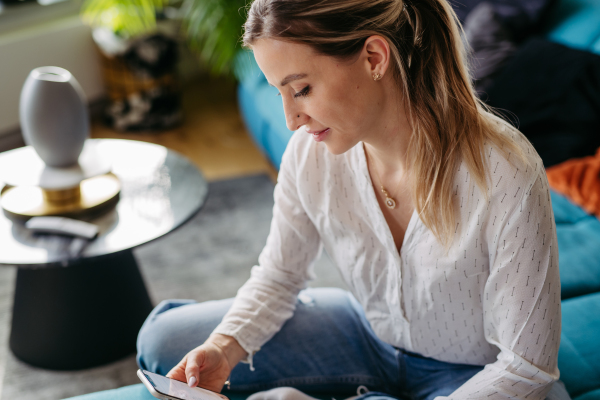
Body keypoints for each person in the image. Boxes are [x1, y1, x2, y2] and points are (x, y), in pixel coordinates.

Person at [136, 0, 571, 399]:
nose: (291, 119)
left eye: (302, 89)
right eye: (280, 92)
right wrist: (224, 346)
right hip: (367, 337)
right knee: (165, 342)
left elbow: (526, 366)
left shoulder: (504, 171)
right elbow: (280, 276)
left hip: (471, 373)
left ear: (374, 58)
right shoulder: (310, 154)